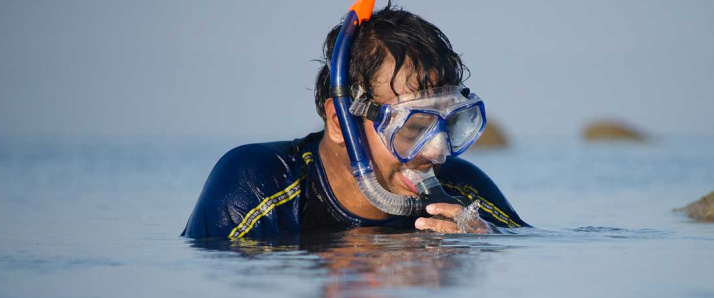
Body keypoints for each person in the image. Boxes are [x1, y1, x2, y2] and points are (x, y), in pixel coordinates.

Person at [182, 2, 528, 239]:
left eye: (448, 125)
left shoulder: (462, 192)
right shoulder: (258, 187)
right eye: (412, 128)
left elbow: (529, 250)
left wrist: (483, 240)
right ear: (338, 122)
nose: (437, 153)